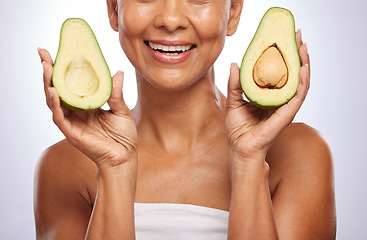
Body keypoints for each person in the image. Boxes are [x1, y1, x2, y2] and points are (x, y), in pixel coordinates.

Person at [35, 0, 336, 239]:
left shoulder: (300, 154)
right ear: (114, 8)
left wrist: (249, 161)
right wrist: (115, 169)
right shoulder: (64, 167)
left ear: (233, 13)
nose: (171, 18)